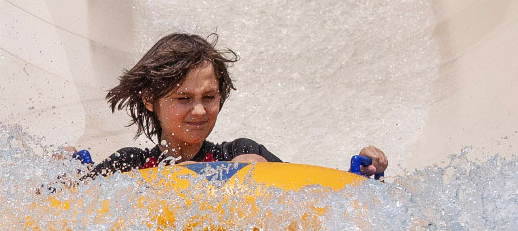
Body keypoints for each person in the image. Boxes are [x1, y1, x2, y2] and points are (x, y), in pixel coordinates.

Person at [80, 33, 388, 178]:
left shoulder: (238, 151)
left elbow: (306, 194)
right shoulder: (130, 164)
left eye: (209, 97)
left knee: (250, 162)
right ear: (150, 100)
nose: (199, 110)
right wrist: (63, 174)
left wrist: (357, 177)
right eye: (183, 99)